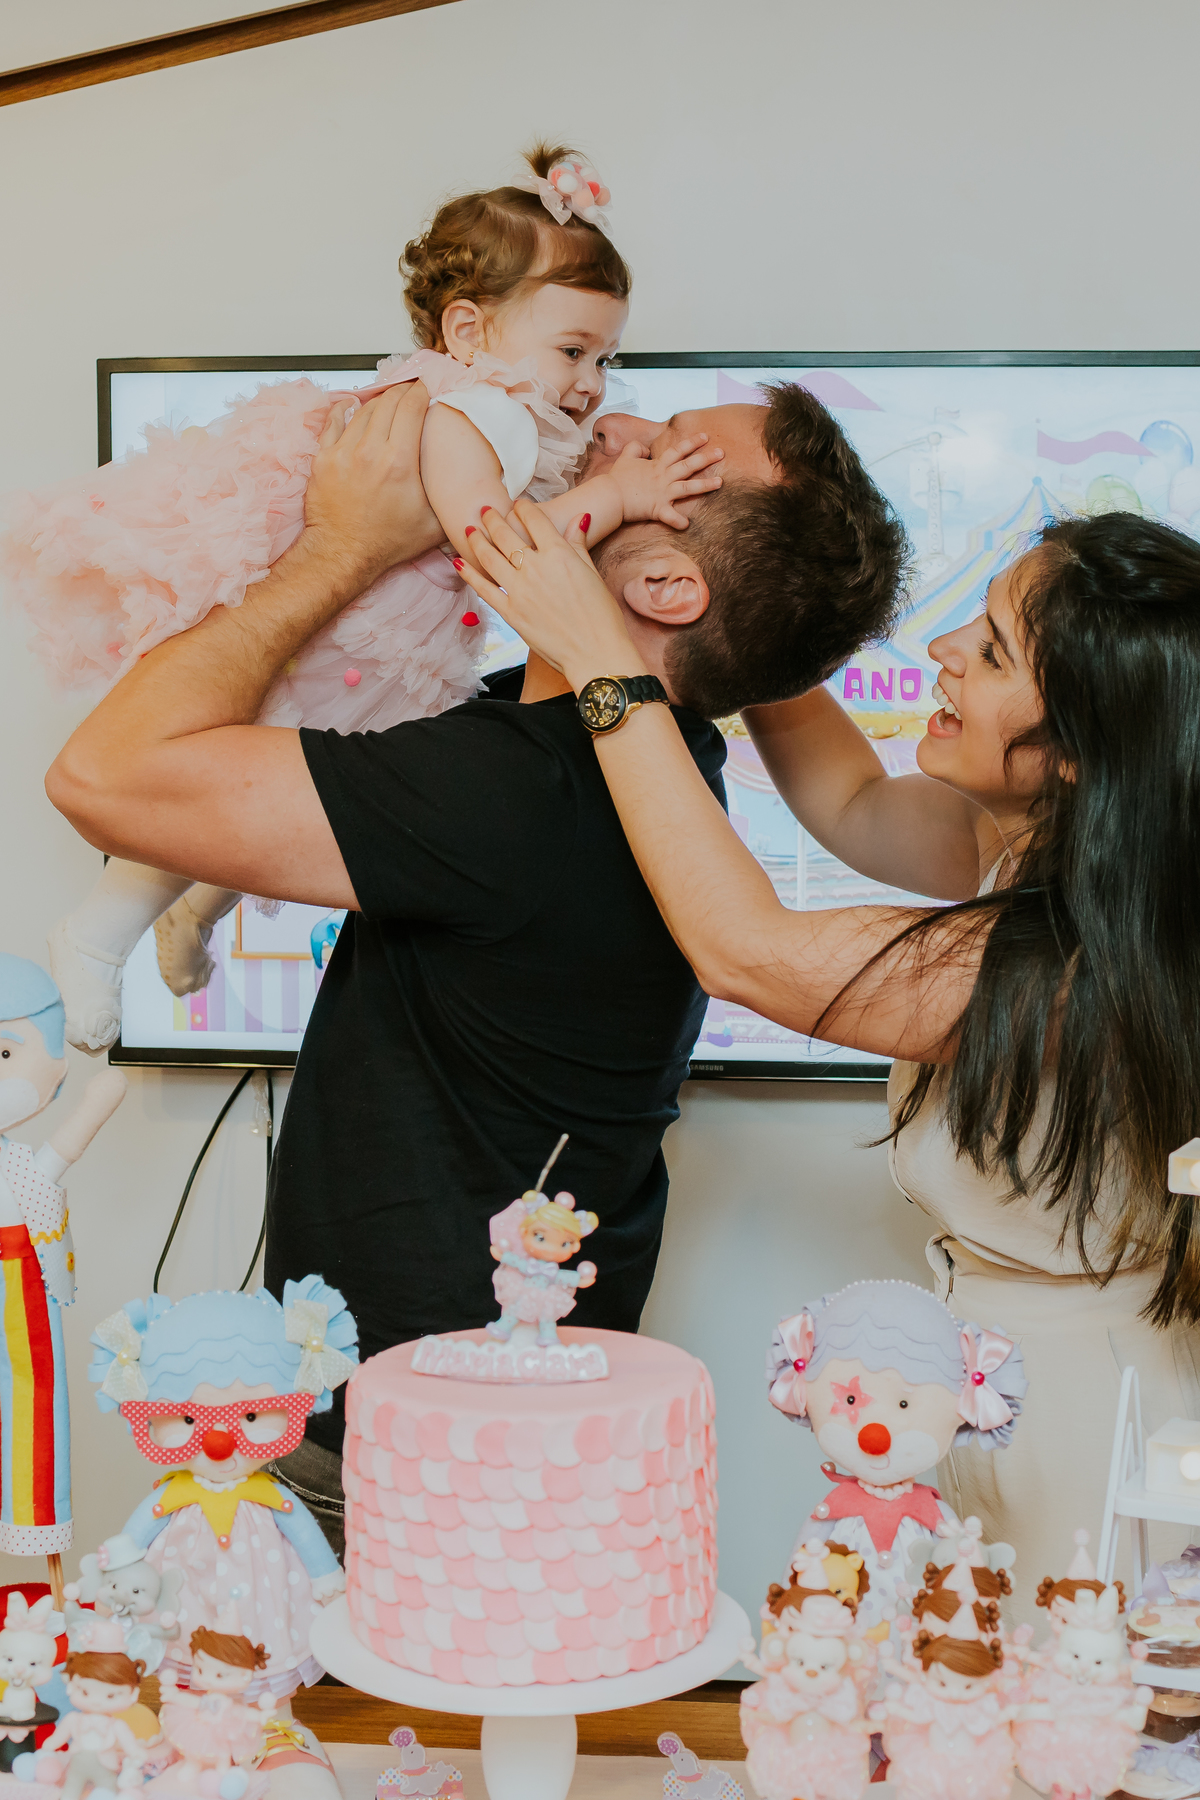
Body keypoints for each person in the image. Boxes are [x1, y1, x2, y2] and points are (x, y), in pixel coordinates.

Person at [45, 376, 907, 1546]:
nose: (617, 433)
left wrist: (341, 545)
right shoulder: (624, 770)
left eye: (677, 456)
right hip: (481, 1430)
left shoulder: (518, 791)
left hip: (408, 1450)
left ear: (662, 588)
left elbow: (103, 776)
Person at [463, 498, 1200, 1612]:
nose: (943, 652)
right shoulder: (1057, 857)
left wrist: (606, 660)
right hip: (987, 1377)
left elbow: (747, 953)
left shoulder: (1072, 963)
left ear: (1077, 758)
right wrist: (740, 606)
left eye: (991, 650)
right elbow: (850, 798)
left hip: (1091, 1418)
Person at [6, 143, 720, 1054]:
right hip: (348, 632)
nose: (591, 383)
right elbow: (494, 551)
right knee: (244, 764)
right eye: (574, 350)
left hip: (383, 640)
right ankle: (98, 933)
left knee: (286, 784)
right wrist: (621, 497)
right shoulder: (475, 411)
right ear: (466, 332)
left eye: (606, 357)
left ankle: (193, 904)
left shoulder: (516, 413)